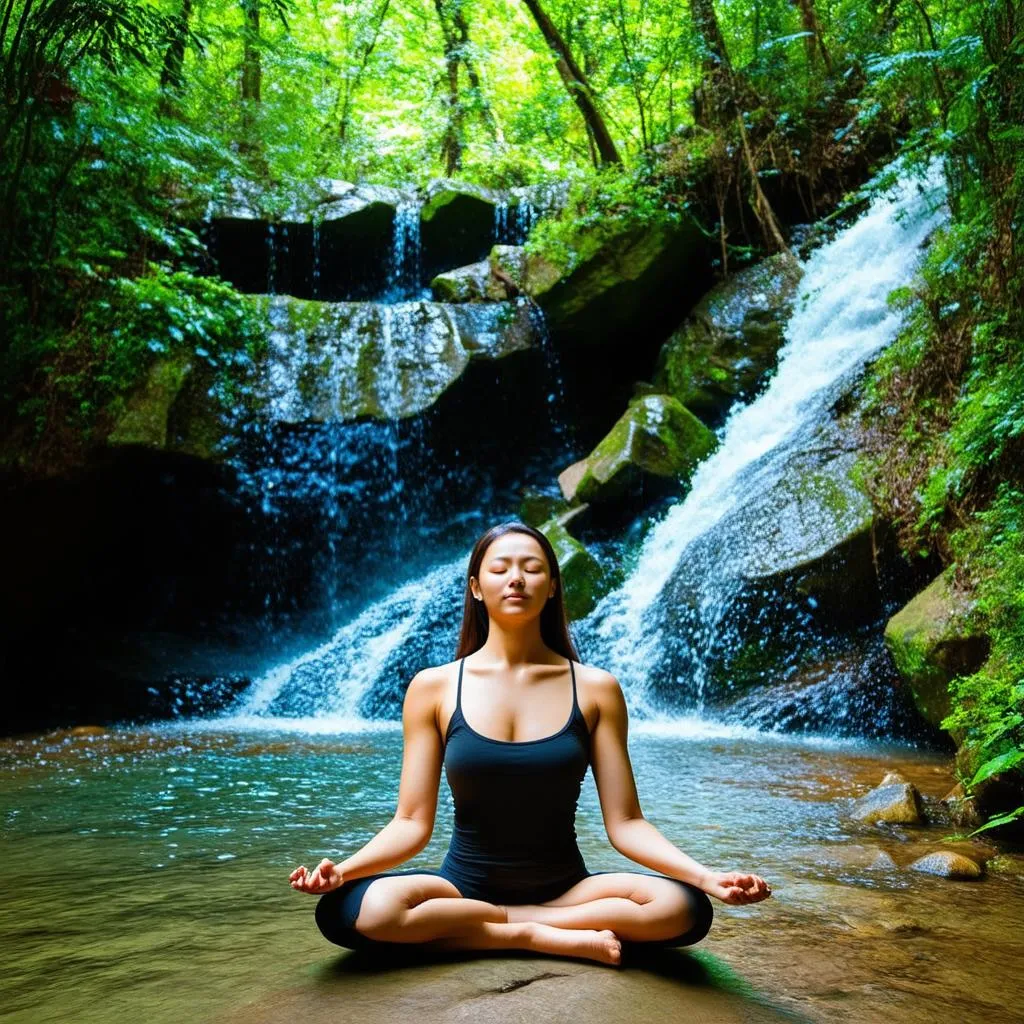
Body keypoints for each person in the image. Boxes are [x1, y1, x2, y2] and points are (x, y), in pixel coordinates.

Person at [290, 521, 771, 966]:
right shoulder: (433, 687)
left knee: (684, 907)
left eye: (532, 568)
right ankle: (536, 936)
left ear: (553, 585)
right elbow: (411, 822)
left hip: (567, 890)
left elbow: (626, 823)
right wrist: (344, 872)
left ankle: (499, 930)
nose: (516, 579)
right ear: (477, 588)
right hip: (460, 889)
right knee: (356, 910)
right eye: (499, 569)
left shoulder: (596, 688)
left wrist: (704, 876)